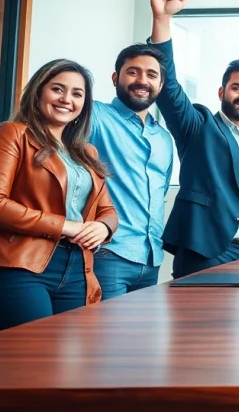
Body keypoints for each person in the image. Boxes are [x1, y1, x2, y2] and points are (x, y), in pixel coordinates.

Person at [0, 59, 118, 332]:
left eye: (77, 94)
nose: (66, 99)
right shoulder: (13, 134)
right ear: (38, 92)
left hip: (77, 268)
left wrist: (103, 227)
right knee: (36, 354)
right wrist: (65, 226)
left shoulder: (86, 152)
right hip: (21, 265)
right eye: (57, 89)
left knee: (75, 355)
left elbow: (107, 211)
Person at [147, 0, 239, 277]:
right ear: (222, 91)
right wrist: (162, 19)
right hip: (208, 250)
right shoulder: (199, 126)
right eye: (237, 88)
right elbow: (168, 89)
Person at [88, 44, 174, 300]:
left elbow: (160, 194)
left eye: (151, 75)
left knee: (141, 328)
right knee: (107, 328)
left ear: (160, 84)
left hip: (151, 258)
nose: (142, 81)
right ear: (115, 78)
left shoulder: (164, 138)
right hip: (108, 253)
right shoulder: (95, 115)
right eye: (133, 72)